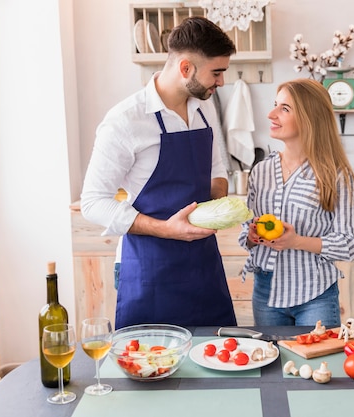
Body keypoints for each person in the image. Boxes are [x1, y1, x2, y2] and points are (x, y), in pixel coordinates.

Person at [81, 17, 238, 330]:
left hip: (203, 265)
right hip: (149, 269)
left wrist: (216, 206)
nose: (221, 82)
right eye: (216, 73)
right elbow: (93, 202)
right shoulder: (125, 121)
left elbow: (216, 170)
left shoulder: (203, 107)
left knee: (216, 365)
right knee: (148, 367)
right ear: (185, 68)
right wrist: (167, 229)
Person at [238, 78, 354, 327]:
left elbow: (349, 244)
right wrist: (252, 235)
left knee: (318, 365)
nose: (271, 114)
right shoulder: (260, 171)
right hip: (266, 294)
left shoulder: (335, 174)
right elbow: (245, 237)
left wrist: (296, 241)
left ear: (309, 118)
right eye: (275, 105)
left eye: (285, 109)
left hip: (315, 295)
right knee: (271, 363)